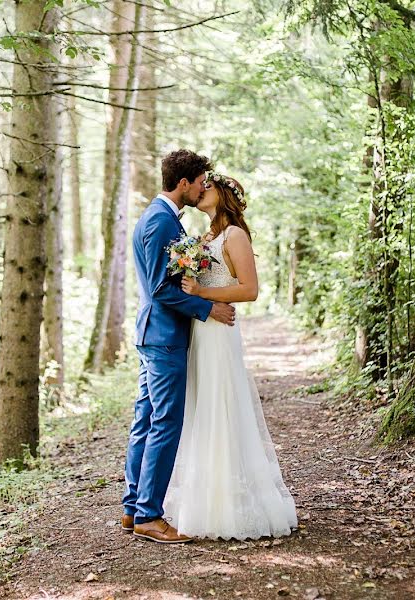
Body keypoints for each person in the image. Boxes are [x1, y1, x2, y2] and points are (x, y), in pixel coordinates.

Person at [162, 171, 298, 540]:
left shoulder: (235, 235)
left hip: (220, 332)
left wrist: (203, 296)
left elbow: (250, 290)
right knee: (202, 408)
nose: (201, 190)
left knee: (220, 405)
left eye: (208, 187)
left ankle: (231, 504)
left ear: (224, 194)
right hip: (200, 331)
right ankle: (204, 497)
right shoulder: (205, 238)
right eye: (200, 185)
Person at [122, 149, 236, 544]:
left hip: (155, 335)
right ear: (184, 183)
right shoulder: (159, 221)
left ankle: (133, 507)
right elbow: (159, 287)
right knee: (164, 423)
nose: (204, 187)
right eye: (201, 181)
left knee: (146, 419)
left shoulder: (162, 217)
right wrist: (207, 308)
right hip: (164, 337)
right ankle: (149, 515)